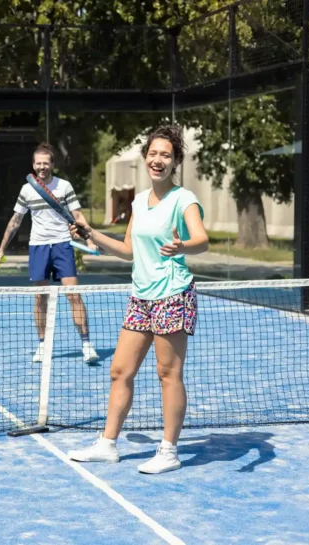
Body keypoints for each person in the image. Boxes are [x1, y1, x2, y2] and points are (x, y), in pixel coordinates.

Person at [67, 125, 208, 474]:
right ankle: (107, 444)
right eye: (153, 153)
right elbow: (128, 250)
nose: (158, 160)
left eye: (166, 155)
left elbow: (202, 241)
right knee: (120, 370)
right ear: (145, 157)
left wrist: (182, 246)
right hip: (141, 296)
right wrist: (92, 234)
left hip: (172, 294)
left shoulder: (184, 199)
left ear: (175, 162)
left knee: (167, 373)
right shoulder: (138, 202)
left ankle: (169, 451)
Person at [0, 143, 99, 365]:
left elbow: (78, 216)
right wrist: (1, 249)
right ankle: (42, 345)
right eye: (38, 163)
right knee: (40, 298)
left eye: (46, 163)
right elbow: (15, 221)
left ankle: (86, 345)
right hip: (38, 247)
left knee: (73, 295)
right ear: (33, 165)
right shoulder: (27, 190)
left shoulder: (64, 186)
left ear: (52, 165)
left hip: (62, 246)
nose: (42, 167)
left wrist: (90, 239)